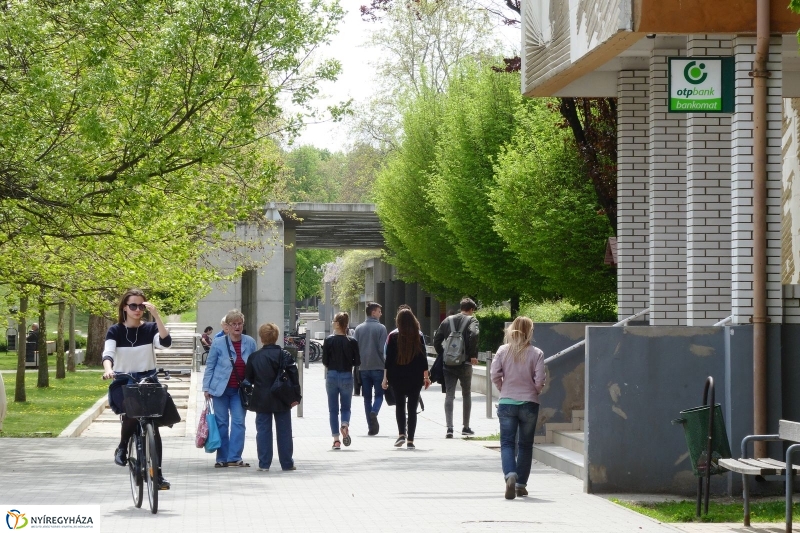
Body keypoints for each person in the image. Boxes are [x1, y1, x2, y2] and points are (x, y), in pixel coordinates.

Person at [102, 289, 172, 489]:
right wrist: (109, 370)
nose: (137, 310)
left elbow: (165, 342)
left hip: (148, 380)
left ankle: (157, 475)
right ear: (125, 307)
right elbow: (108, 354)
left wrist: (156, 315)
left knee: (154, 428)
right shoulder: (115, 331)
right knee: (132, 409)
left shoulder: (150, 329)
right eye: (133, 305)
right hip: (123, 380)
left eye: (141, 306)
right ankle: (123, 446)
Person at [490, 316, 545, 500]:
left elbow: (494, 374)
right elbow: (540, 380)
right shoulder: (536, 353)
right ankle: (521, 485)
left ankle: (510, 475)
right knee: (525, 445)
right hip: (529, 403)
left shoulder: (503, 350)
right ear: (530, 331)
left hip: (507, 402)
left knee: (506, 443)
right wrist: (534, 391)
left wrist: (503, 389)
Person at [202, 309, 257, 468]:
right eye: (233, 324)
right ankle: (222, 458)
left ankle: (235, 457)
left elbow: (254, 365)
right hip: (220, 390)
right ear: (227, 326)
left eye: (239, 323)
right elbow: (210, 366)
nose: (237, 327)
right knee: (222, 423)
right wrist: (206, 387)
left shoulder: (250, 342)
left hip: (240, 392)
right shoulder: (219, 343)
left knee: (239, 422)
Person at [245, 323, 301, 471]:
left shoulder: (254, 357)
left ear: (261, 338)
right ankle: (287, 463)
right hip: (282, 397)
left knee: (263, 431)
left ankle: (264, 464)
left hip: (261, 399)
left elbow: (248, 379)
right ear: (276, 337)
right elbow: (294, 376)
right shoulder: (285, 355)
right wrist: (297, 396)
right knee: (284, 430)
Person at [382, 308, 430, 450]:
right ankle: (410, 440)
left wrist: (385, 378)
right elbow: (423, 358)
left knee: (400, 406)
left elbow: (388, 360)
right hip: (415, 377)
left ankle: (401, 434)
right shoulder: (418, 335)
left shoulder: (393, 336)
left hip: (396, 376)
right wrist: (426, 377)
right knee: (412, 407)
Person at [433, 297, 480, 438]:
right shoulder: (472, 320)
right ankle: (465, 427)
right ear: (471, 309)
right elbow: (475, 334)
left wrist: (443, 353)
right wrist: (472, 354)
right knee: (466, 394)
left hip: (449, 364)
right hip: (465, 363)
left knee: (449, 394)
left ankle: (449, 428)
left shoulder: (447, 320)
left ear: (461, 307)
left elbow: (437, 339)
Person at [322, 312, 360, 449]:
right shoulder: (352, 341)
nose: (332, 323)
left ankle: (336, 440)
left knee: (333, 410)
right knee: (346, 407)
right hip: (346, 375)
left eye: (334, 321)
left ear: (337, 324)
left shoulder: (329, 340)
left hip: (332, 374)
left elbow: (324, 360)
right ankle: (345, 424)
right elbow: (358, 361)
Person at [353, 302, 388, 435]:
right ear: (373, 312)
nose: (381, 314)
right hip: (378, 367)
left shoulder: (358, 329)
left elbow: (355, 349)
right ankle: (375, 411)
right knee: (379, 395)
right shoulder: (381, 328)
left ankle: (371, 427)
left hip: (363, 368)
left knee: (366, 398)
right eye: (379, 311)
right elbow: (382, 349)